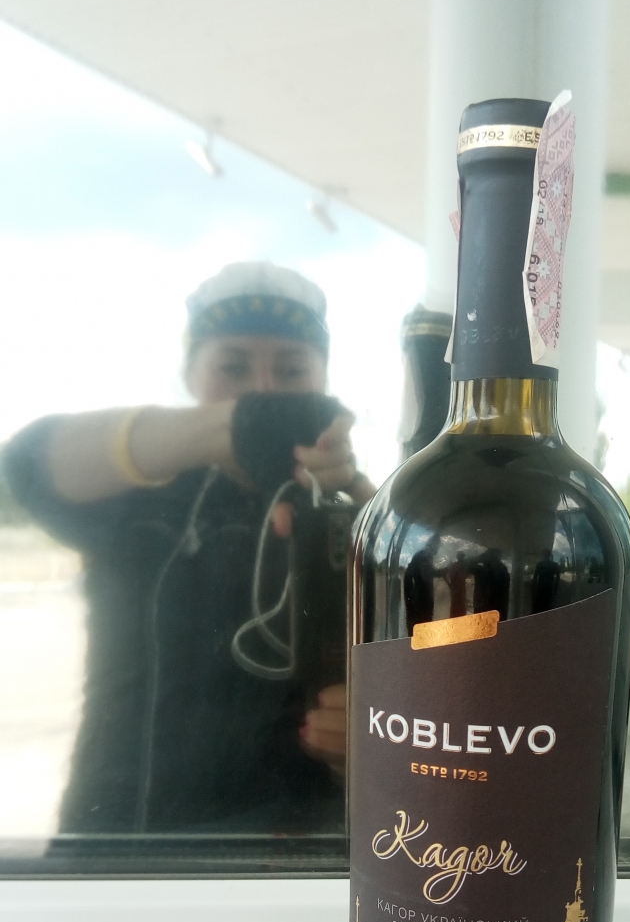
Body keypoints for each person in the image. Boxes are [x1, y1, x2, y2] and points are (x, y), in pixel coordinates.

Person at [2, 262, 374, 835]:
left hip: (292, 853)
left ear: (325, 380)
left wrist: (366, 746)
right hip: (116, 842)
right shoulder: (138, 493)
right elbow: (28, 463)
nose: (263, 389)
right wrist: (233, 428)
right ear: (188, 373)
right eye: (232, 366)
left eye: (292, 368)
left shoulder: (366, 516)